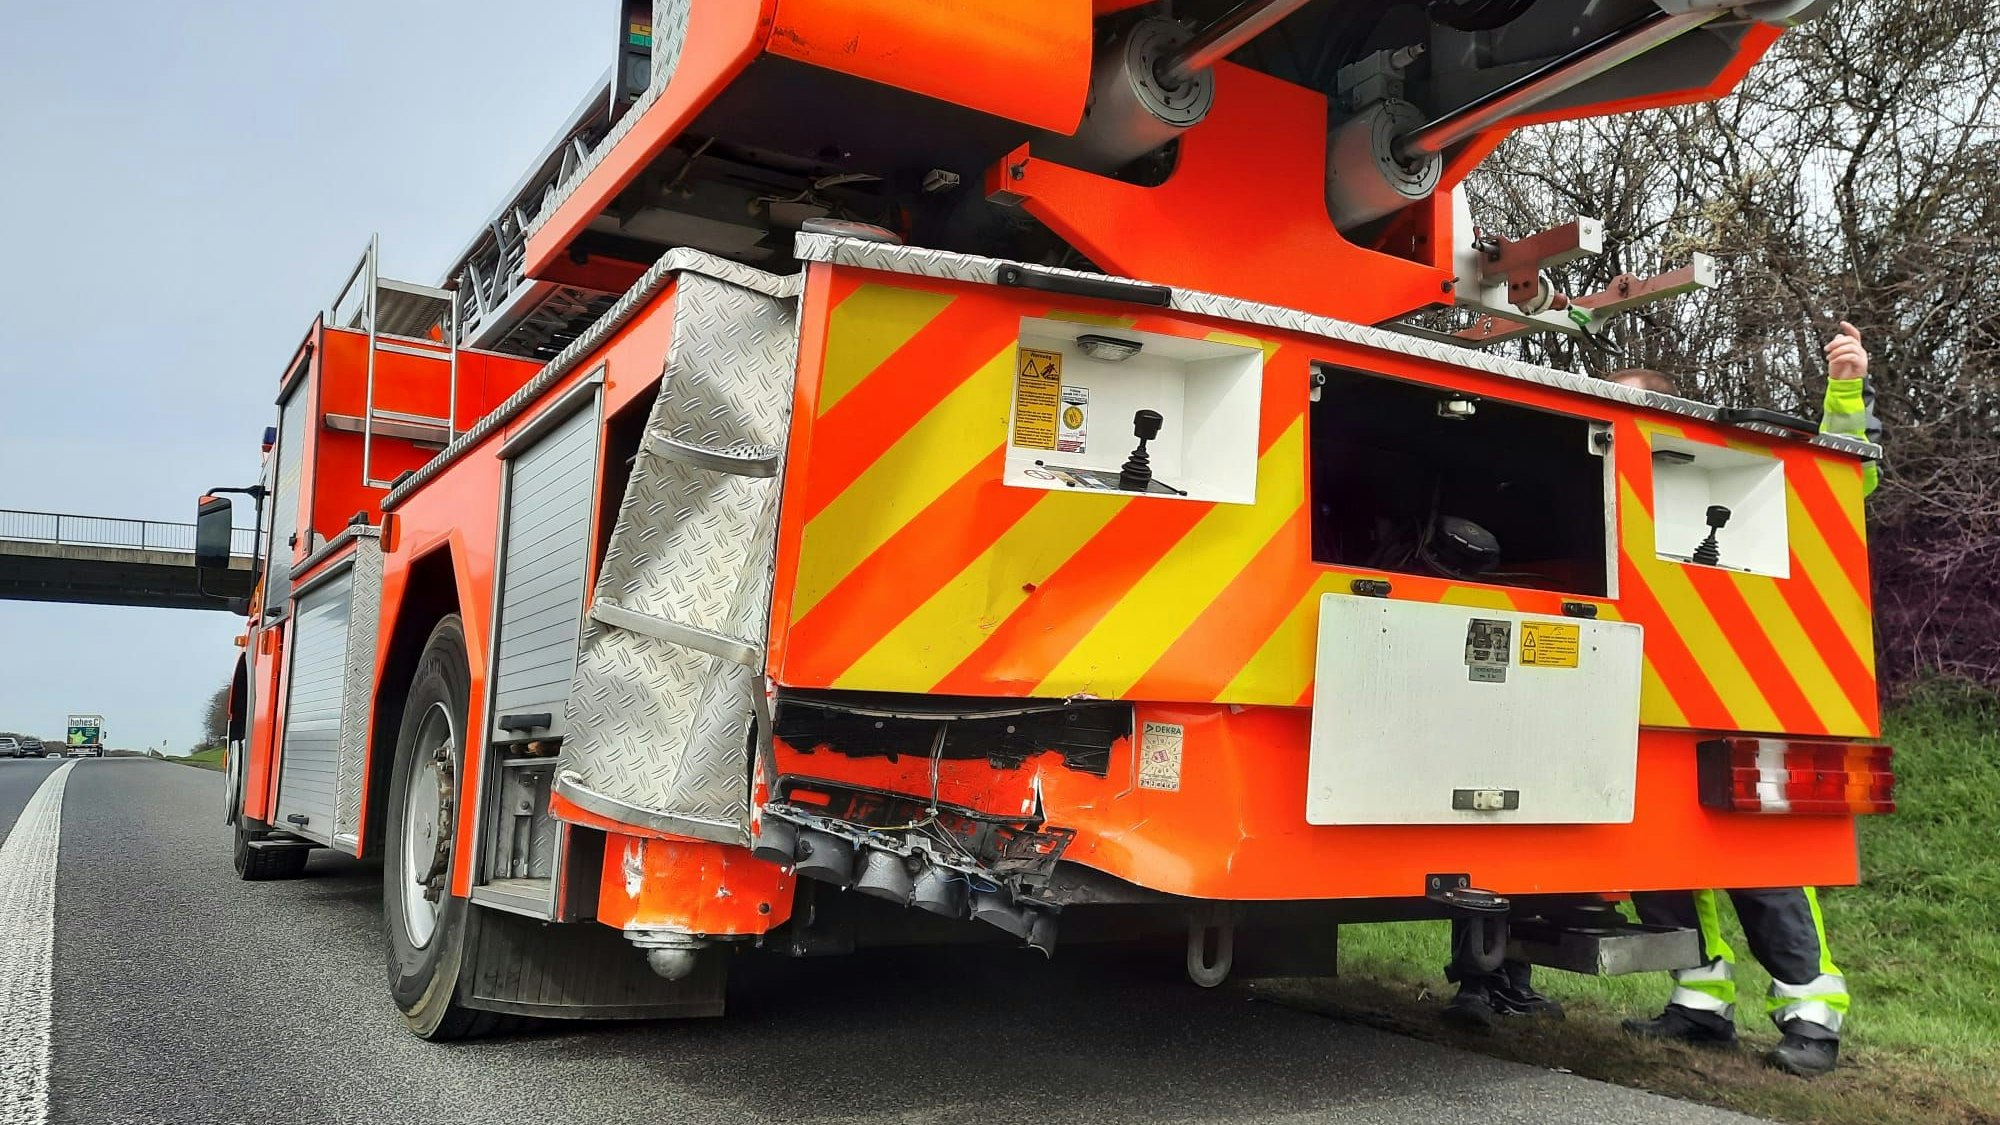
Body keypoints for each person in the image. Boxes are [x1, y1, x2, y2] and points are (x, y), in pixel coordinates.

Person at [1615, 323, 1877, 1079]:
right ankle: (1701, 1003)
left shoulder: (1715, 474)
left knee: (1762, 866)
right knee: (1660, 862)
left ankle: (1811, 1016)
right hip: (1656, 701)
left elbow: (1841, 481)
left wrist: (1847, 392)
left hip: (1748, 699)